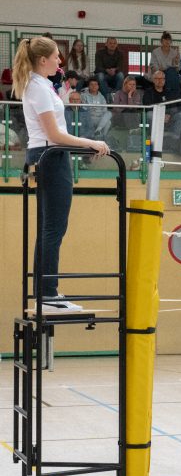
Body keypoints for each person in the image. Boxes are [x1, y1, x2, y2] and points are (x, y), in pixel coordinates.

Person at [13, 36, 109, 312]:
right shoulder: (38, 88)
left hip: (49, 154)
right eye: (56, 56)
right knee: (54, 228)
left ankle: (45, 292)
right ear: (43, 60)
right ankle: (48, 295)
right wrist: (91, 143)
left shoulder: (41, 85)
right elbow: (54, 134)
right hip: (50, 156)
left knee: (50, 228)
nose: (59, 61)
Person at [149, 31, 181, 96]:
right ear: (161, 41)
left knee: (171, 72)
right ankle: (172, 96)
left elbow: (178, 69)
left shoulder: (174, 52)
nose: (167, 41)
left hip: (171, 74)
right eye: (165, 40)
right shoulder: (155, 52)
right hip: (159, 73)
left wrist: (176, 62)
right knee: (169, 73)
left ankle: (172, 95)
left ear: (171, 41)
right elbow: (153, 66)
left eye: (169, 40)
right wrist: (159, 70)